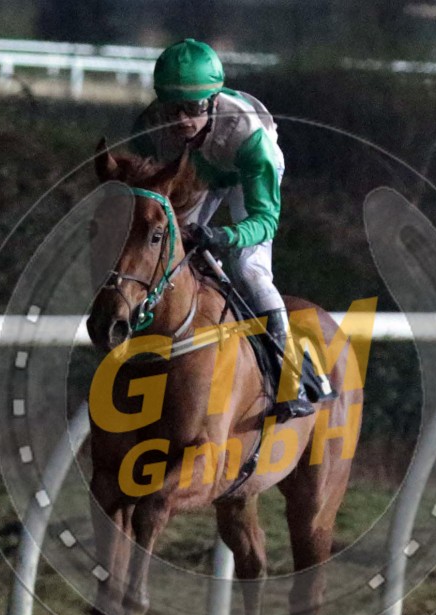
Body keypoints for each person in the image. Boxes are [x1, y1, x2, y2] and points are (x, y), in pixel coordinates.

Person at [129, 38, 315, 422]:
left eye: (195, 107)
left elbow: (265, 221)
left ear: (213, 102)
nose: (183, 119)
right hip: (202, 170)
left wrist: (223, 236)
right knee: (168, 248)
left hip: (247, 170)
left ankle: (290, 376)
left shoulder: (252, 140)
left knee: (247, 268)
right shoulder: (153, 129)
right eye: (173, 108)